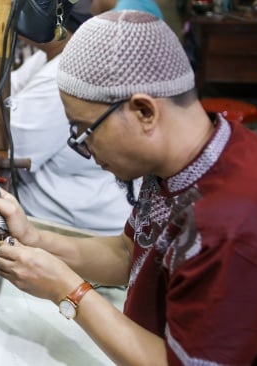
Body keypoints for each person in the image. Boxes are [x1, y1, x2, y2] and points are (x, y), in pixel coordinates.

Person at [0, 10, 257, 365]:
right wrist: (35, 238)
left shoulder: (231, 228)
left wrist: (67, 291)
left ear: (144, 111)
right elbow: (131, 254)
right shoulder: (192, 155)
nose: (84, 148)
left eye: (85, 130)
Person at [10, 0, 162, 235]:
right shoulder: (56, 61)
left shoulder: (68, 70)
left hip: (84, 226)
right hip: (73, 224)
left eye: (82, 130)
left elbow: (16, 147)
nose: (87, 149)